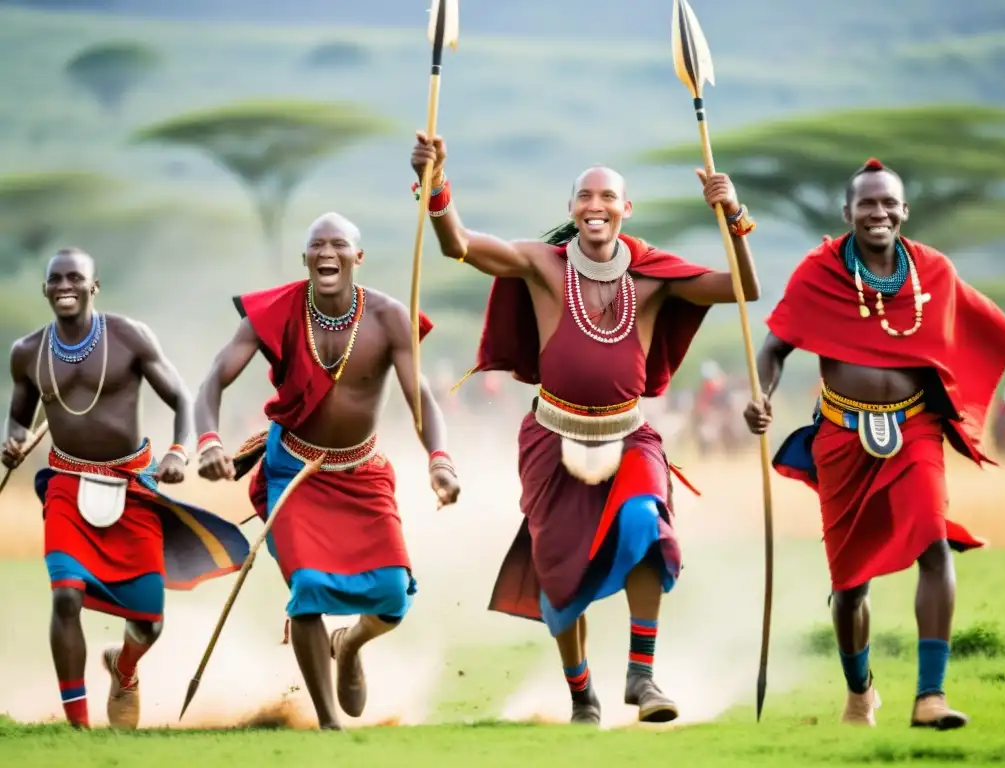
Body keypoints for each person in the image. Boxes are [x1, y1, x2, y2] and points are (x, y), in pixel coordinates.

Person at [410, 132, 760, 725]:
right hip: (552, 437)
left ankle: (642, 676)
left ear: (627, 209)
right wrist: (436, 183)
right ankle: (582, 697)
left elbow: (744, 288)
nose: (595, 206)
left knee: (647, 523)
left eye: (608, 197)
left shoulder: (653, 276)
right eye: (584, 197)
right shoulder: (543, 265)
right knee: (560, 573)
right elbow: (460, 246)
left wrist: (733, 214)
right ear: (571, 208)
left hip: (630, 437)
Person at [745, 159, 1005, 729]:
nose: (879, 213)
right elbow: (773, 348)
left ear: (904, 210)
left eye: (888, 202)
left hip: (914, 430)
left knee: (934, 544)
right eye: (866, 204)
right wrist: (762, 395)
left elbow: (980, 330)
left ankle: (930, 696)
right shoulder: (820, 272)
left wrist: (956, 399)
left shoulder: (932, 273)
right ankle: (859, 692)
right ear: (847, 213)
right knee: (849, 586)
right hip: (842, 438)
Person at [193, 212, 460, 730]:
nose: (327, 254)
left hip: (361, 471)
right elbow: (213, 381)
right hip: (292, 470)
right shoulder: (273, 313)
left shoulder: (388, 318)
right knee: (309, 588)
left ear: (358, 258)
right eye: (317, 246)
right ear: (305, 259)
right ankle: (329, 723)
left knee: (390, 595)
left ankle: (352, 642)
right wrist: (207, 442)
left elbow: (419, 396)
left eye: (339, 245)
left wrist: (440, 461)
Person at [1, 248, 250, 730]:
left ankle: (125, 665)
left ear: (95, 287)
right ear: (46, 289)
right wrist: (10, 440)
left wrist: (179, 451)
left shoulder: (129, 337)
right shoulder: (27, 352)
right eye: (56, 279)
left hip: (132, 483)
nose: (65, 285)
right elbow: (17, 416)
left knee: (149, 622)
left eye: (77, 278)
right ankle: (77, 726)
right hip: (66, 486)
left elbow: (180, 396)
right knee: (65, 596)